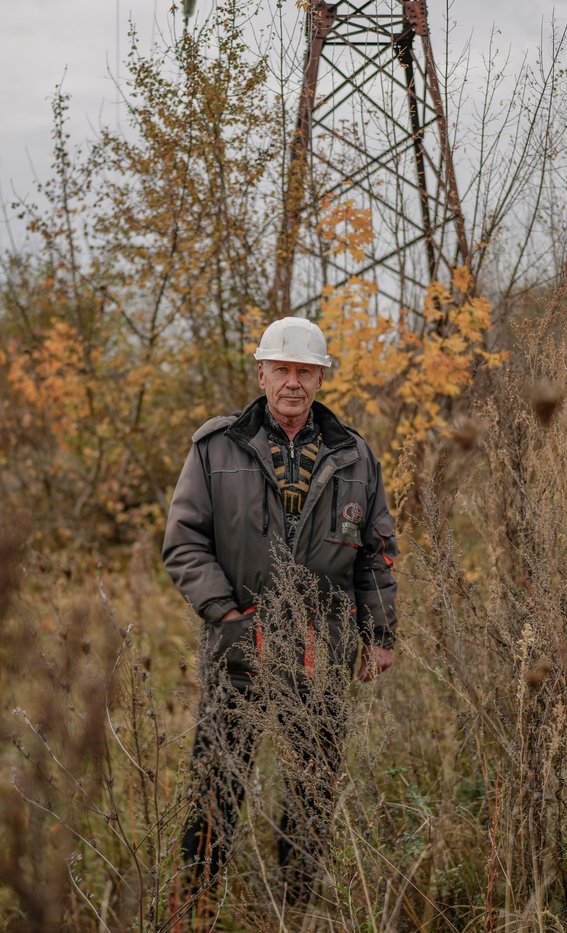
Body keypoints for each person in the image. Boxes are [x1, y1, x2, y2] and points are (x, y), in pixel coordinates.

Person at [162, 316, 399, 911]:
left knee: (311, 795)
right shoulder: (215, 446)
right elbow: (184, 543)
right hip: (238, 650)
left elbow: (376, 551)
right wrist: (227, 616)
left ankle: (295, 911)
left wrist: (378, 634)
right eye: (283, 369)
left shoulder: (354, 455)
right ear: (262, 373)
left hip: (322, 651)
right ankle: (195, 911)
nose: (293, 382)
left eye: (305, 371)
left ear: (320, 379)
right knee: (216, 788)